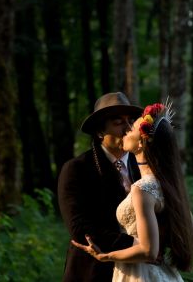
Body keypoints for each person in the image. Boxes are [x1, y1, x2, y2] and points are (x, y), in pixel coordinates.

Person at [71, 102, 193, 281]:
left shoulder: (141, 189)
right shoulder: (168, 185)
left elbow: (148, 251)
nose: (125, 130)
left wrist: (106, 256)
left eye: (131, 126)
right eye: (120, 124)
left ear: (141, 143)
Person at [58, 92, 143, 282]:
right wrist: (138, 245)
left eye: (130, 120)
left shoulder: (145, 165)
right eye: (118, 122)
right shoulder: (76, 168)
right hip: (93, 269)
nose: (128, 128)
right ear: (99, 132)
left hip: (142, 268)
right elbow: (79, 227)